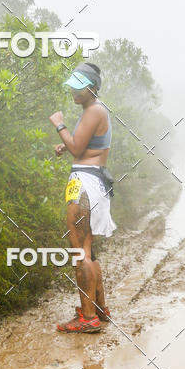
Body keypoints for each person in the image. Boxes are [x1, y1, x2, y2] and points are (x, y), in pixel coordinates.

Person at [50, 62, 115, 333]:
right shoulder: (95, 110)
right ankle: (98, 309)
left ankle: (87, 318)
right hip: (95, 181)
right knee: (89, 250)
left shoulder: (94, 110)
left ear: (92, 88)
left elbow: (78, 147)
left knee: (80, 252)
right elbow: (83, 144)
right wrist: (67, 142)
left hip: (84, 183)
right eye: (72, 86)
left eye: (79, 87)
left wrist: (60, 125)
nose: (74, 92)